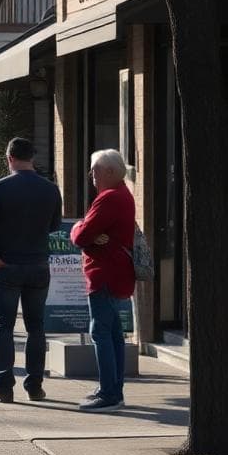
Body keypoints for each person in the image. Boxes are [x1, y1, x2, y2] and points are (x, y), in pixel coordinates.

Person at [0, 138, 62, 403]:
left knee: (5, 326)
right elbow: (54, 225)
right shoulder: (50, 189)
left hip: (8, 266)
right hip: (38, 265)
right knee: (36, 326)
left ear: (9, 158)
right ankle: (35, 386)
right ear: (32, 158)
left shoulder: (0, 187)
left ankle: (3, 386)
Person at [70, 149, 137, 412]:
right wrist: (87, 229)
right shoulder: (122, 195)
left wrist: (79, 226)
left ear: (109, 172)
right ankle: (111, 388)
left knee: (102, 333)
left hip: (104, 274)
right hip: (114, 274)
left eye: (95, 170)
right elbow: (89, 233)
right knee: (113, 333)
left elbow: (80, 236)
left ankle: (110, 393)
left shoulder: (109, 199)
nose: (91, 176)